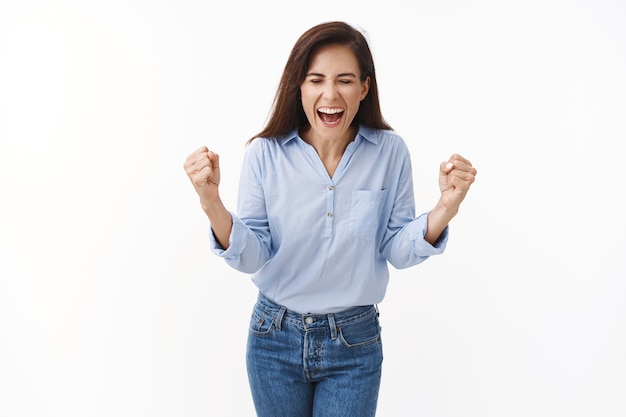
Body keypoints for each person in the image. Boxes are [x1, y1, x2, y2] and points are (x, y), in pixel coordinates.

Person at [183, 21, 477, 417]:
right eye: (316, 79)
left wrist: (446, 207)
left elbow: (397, 249)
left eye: (345, 80)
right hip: (274, 338)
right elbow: (253, 256)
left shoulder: (389, 152)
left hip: (354, 342)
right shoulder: (264, 154)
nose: (330, 93)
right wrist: (210, 201)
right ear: (299, 88)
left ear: (364, 88)